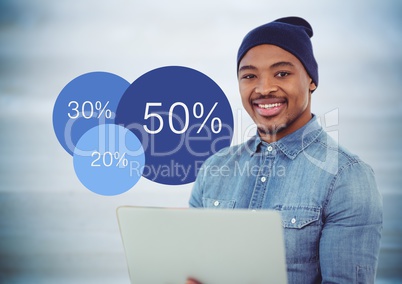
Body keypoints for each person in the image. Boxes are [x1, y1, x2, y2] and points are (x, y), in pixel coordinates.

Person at [187, 17, 383, 283]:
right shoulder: (214, 169)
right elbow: (196, 268)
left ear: (311, 80)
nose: (264, 88)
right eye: (249, 76)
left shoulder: (347, 177)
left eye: (282, 73)